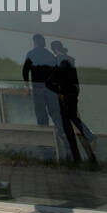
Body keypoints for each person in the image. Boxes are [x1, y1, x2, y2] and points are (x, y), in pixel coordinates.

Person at [22, 33, 78, 161]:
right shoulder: (50, 55)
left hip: (38, 90)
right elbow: (57, 72)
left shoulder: (31, 54)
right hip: (52, 90)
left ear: (35, 42)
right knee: (57, 117)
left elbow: (25, 70)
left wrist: (27, 86)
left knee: (42, 119)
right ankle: (67, 146)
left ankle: (47, 150)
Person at [50, 39, 98, 164]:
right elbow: (74, 78)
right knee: (73, 116)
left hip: (65, 95)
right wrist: (76, 92)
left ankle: (75, 154)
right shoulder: (70, 59)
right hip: (73, 93)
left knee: (67, 121)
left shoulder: (58, 61)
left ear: (54, 49)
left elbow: (54, 80)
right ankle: (87, 139)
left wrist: (58, 91)